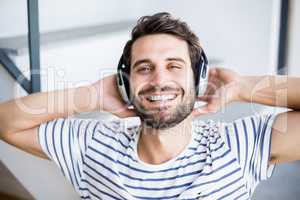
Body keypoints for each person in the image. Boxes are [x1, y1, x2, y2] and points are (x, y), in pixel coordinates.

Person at [0, 12, 300, 200]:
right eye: (144, 68)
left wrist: (245, 88)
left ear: (199, 78)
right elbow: (6, 122)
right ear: (124, 82)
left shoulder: (240, 145)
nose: (159, 80)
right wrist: (88, 96)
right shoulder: (94, 144)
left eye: (174, 66)